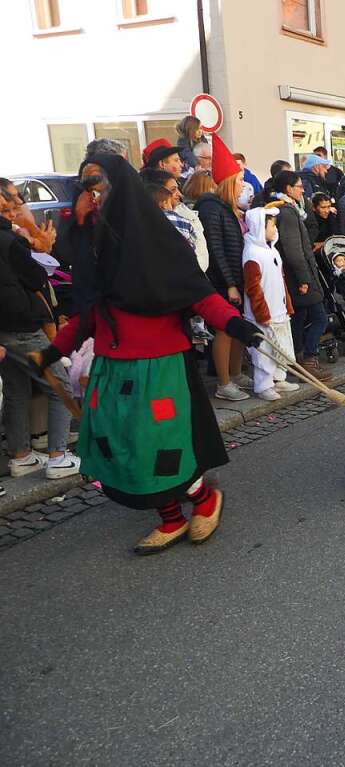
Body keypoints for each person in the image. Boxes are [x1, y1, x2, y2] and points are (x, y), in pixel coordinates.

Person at [33, 153, 261, 553]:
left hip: (161, 369)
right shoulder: (97, 250)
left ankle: (204, 500)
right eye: (86, 187)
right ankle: (170, 519)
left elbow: (198, 294)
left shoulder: (157, 241)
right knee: (125, 452)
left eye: (99, 185)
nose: (93, 195)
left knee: (160, 450)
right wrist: (53, 351)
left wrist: (236, 324)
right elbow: (89, 316)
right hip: (112, 370)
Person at [0, 190, 79, 480]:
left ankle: (21, 456)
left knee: (16, 390)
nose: (14, 213)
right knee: (60, 388)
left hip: (6, 328)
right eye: (9, 209)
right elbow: (35, 277)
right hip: (22, 324)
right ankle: (58, 457)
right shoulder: (11, 241)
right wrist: (37, 246)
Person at [195, 134, 249, 401]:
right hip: (221, 281)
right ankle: (224, 382)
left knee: (237, 327)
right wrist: (229, 284)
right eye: (240, 180)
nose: (244, 184)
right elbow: (215, 249)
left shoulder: (229, 208)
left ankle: (236, 373)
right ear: (229, 182)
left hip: (236, 278)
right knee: (224, 329)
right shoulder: (211, 208)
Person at [272, 169, 331, 382]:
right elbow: (293, 250)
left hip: (296, 275)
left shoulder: (288, 209)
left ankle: (295, 360)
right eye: (298, 186)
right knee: (319, 318)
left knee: (299, 319)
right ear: (288, 189)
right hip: (300, 276)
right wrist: (305, 279)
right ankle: (309, 359)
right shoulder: (287, 212)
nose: (302, 189)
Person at [241, 205, 301, 401]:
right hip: (263, 313)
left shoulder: (272, 250)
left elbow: (280, 279)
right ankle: (263, 384)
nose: (275, 230)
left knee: (280, 345)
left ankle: (279, 377)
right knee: (264, 351)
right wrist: (261, 313)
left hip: (278, 309)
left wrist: (287, 304)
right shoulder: (252, 253)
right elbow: (253, 288)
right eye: (271, 226)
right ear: (260, 227)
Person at [0, 178, 57, 254]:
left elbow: (46, 249)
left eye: (18, 195)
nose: (19, 201)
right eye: (12, 196)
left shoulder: (22, 220)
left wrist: (44, 242)